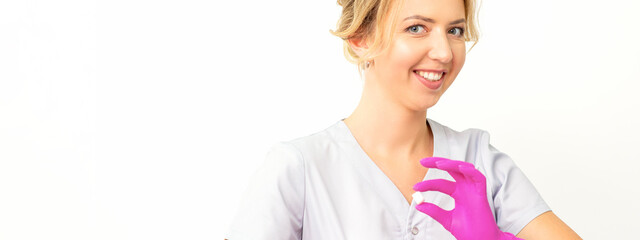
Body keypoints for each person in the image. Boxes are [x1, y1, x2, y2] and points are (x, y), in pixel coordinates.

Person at [226, 0, 582, 239]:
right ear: (360, 39)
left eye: (455, 31)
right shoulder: (299, 168)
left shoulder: (479, 162)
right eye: (417, 28)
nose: (444, 52)